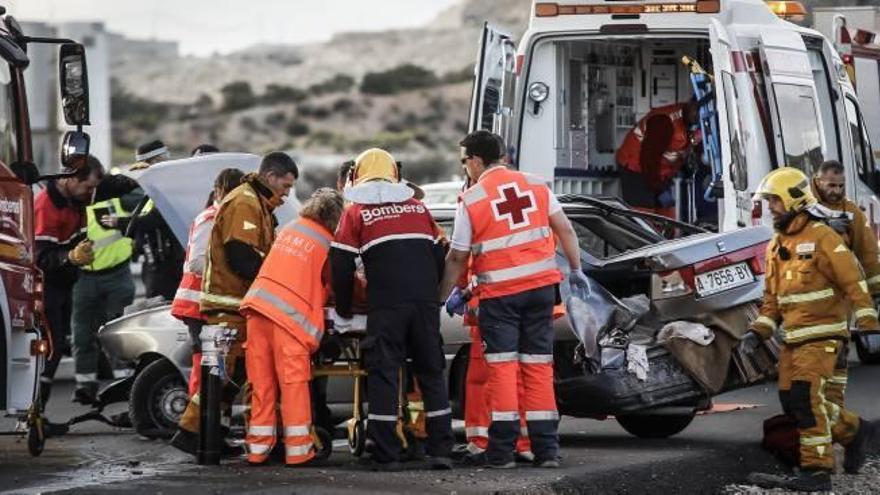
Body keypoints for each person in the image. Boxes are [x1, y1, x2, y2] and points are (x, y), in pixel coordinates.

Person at [439, 130, 585, 469]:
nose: (465, 169)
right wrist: (576, 270)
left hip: (501, 298)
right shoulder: (535, 186)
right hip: (541, 292)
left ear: (476, 160)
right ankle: (547, 451)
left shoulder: (472, 200)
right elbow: (566, 229)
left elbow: (458, 257)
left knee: (503, 369)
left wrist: (444, 294)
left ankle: (501, 452)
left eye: (464, 161)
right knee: (537, 368)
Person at [744, 167, 880, 492]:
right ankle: (856, 432)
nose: (771, 207)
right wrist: (758, 331)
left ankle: (816, 473)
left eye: (775, 200)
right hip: (794, 338)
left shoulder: (823, 237)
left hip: (823, 335)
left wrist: (870, 323)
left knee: (806, 399)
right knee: (793, 403)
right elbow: (771, 300)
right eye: (769, 201)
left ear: (794, 199)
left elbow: (853, 281)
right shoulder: (776, 246)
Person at [331, 148, 453, 471]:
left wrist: (343, 308)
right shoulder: (417, 207)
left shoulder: (356, 212)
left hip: (386, 304)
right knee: (431, 372)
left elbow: (340, 264)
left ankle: (386, 453)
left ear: (355, 176)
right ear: (396, 174)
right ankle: (441, 449)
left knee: (384, 373)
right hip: (424, 303)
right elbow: (442, 255)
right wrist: (432, 295)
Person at [171, 151, 298, 455]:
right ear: (270, 177)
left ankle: (207, 434)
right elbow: (241, 254)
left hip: (235, 303)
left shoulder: (257, 204)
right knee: (224, 374)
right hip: (228, 303)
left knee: (232, 374)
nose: (287, 192)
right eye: (286, 185)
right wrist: (273, 280)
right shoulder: (245, 202)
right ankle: (193, 433)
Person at [240, 188, 344, 466]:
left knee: (262, 385)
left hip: (257, 310)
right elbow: (337, 287)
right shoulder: (327, 242)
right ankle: (299, 451)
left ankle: (257, 450)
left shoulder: (290, 228)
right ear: (336, 217)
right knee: (293, 385)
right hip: (289, 319)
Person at [34, 156, 138, 412]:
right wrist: (69, 256)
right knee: (54, 346)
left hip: (73, 280)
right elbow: (41, 256)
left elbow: (111, 188)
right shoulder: (46, 206)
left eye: (94, 188)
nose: (93, 194)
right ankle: (35, 410)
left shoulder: (79, 196)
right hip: (50, 285)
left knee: (79, 337)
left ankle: (40, 410)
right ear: (70, 179)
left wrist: (137, 178)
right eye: (88, 187)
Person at [811, 159, 880, 418]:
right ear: (818, 181)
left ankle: (836, 420)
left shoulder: (851, 212)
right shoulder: (804, 209)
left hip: (836, 303)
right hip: (806, 301)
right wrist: (825, 227)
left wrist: (876, 295)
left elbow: (869, 254)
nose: (837, 191)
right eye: (831, 185)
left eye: (841, 186)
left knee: (837, 366)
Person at [170, 169, 244, 400]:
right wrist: (230, 277)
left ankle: (210, 423)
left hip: (209, 304)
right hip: (199, 305)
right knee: (206, 367)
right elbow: (197, 262)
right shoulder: (210, 219)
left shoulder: (225, 218)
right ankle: (197, 425)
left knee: (216, 368)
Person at [69, 179, 141, 404]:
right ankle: (85, 385)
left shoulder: (119, 201)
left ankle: (126, 384)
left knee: (119, 330)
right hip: (85, 277)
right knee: (82, 334)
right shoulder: (75, 207)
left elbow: (145, 201)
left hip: (117, 275)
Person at [616, 101, 698, 219]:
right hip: (636, 168)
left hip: (658, 173)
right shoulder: (663, 122)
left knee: (667, 216)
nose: (698, 116)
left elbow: (678, 152)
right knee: (643, 217)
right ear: (690, 106)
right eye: (697, 111)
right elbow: (648, 159)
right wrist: (658, 188)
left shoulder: (689, 125)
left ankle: (664, 235)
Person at [127, 139, 186, 300]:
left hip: (169, 263)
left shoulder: (171, 187)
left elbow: (156, 218)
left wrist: (122, 222)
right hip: (153, 262)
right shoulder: (152, 190)